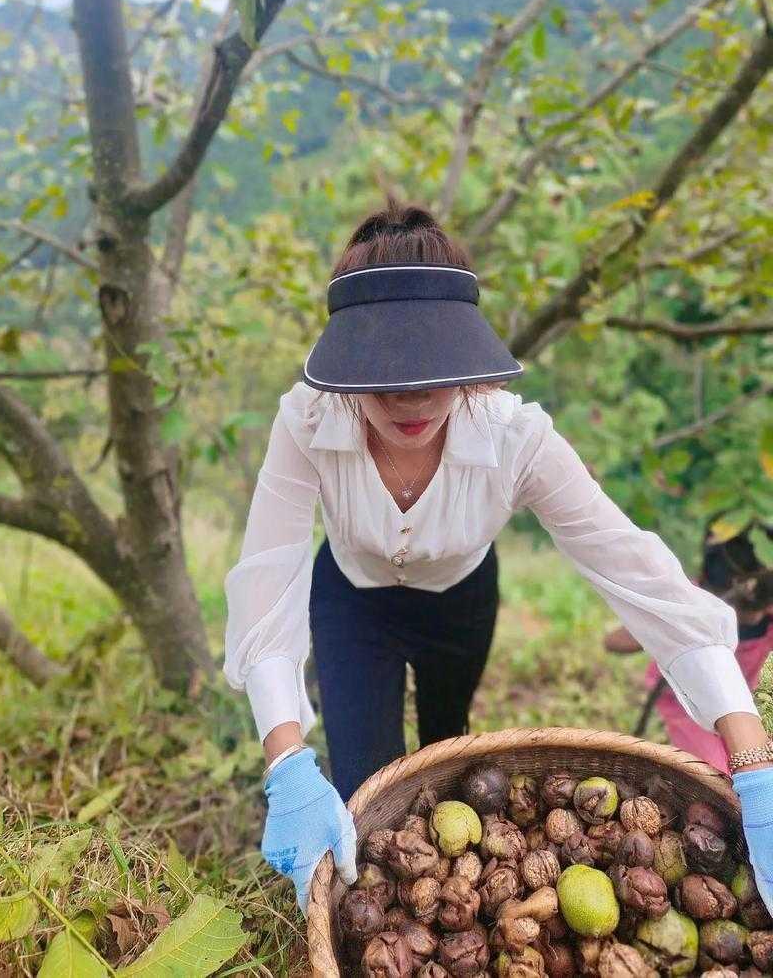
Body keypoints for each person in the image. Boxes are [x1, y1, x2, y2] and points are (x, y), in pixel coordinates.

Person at [222, 198, 773, 918]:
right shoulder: (308, 422)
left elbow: (638, 572)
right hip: (351, 598)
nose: (410, 398)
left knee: (447, 751)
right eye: (384, 376)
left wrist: (754, 764)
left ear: (468, 360)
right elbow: (268, 576)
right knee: (365, 783)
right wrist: (289, 763)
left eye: (433, 373)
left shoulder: (517, 441)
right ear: (349, 366)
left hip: (460, 600)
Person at [606, 522, 773, 771]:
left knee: (756, 762)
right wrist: (662, 625)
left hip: (737, 701)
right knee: (720, 775)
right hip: (684, 705)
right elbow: (613, 642)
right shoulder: (688, 601)